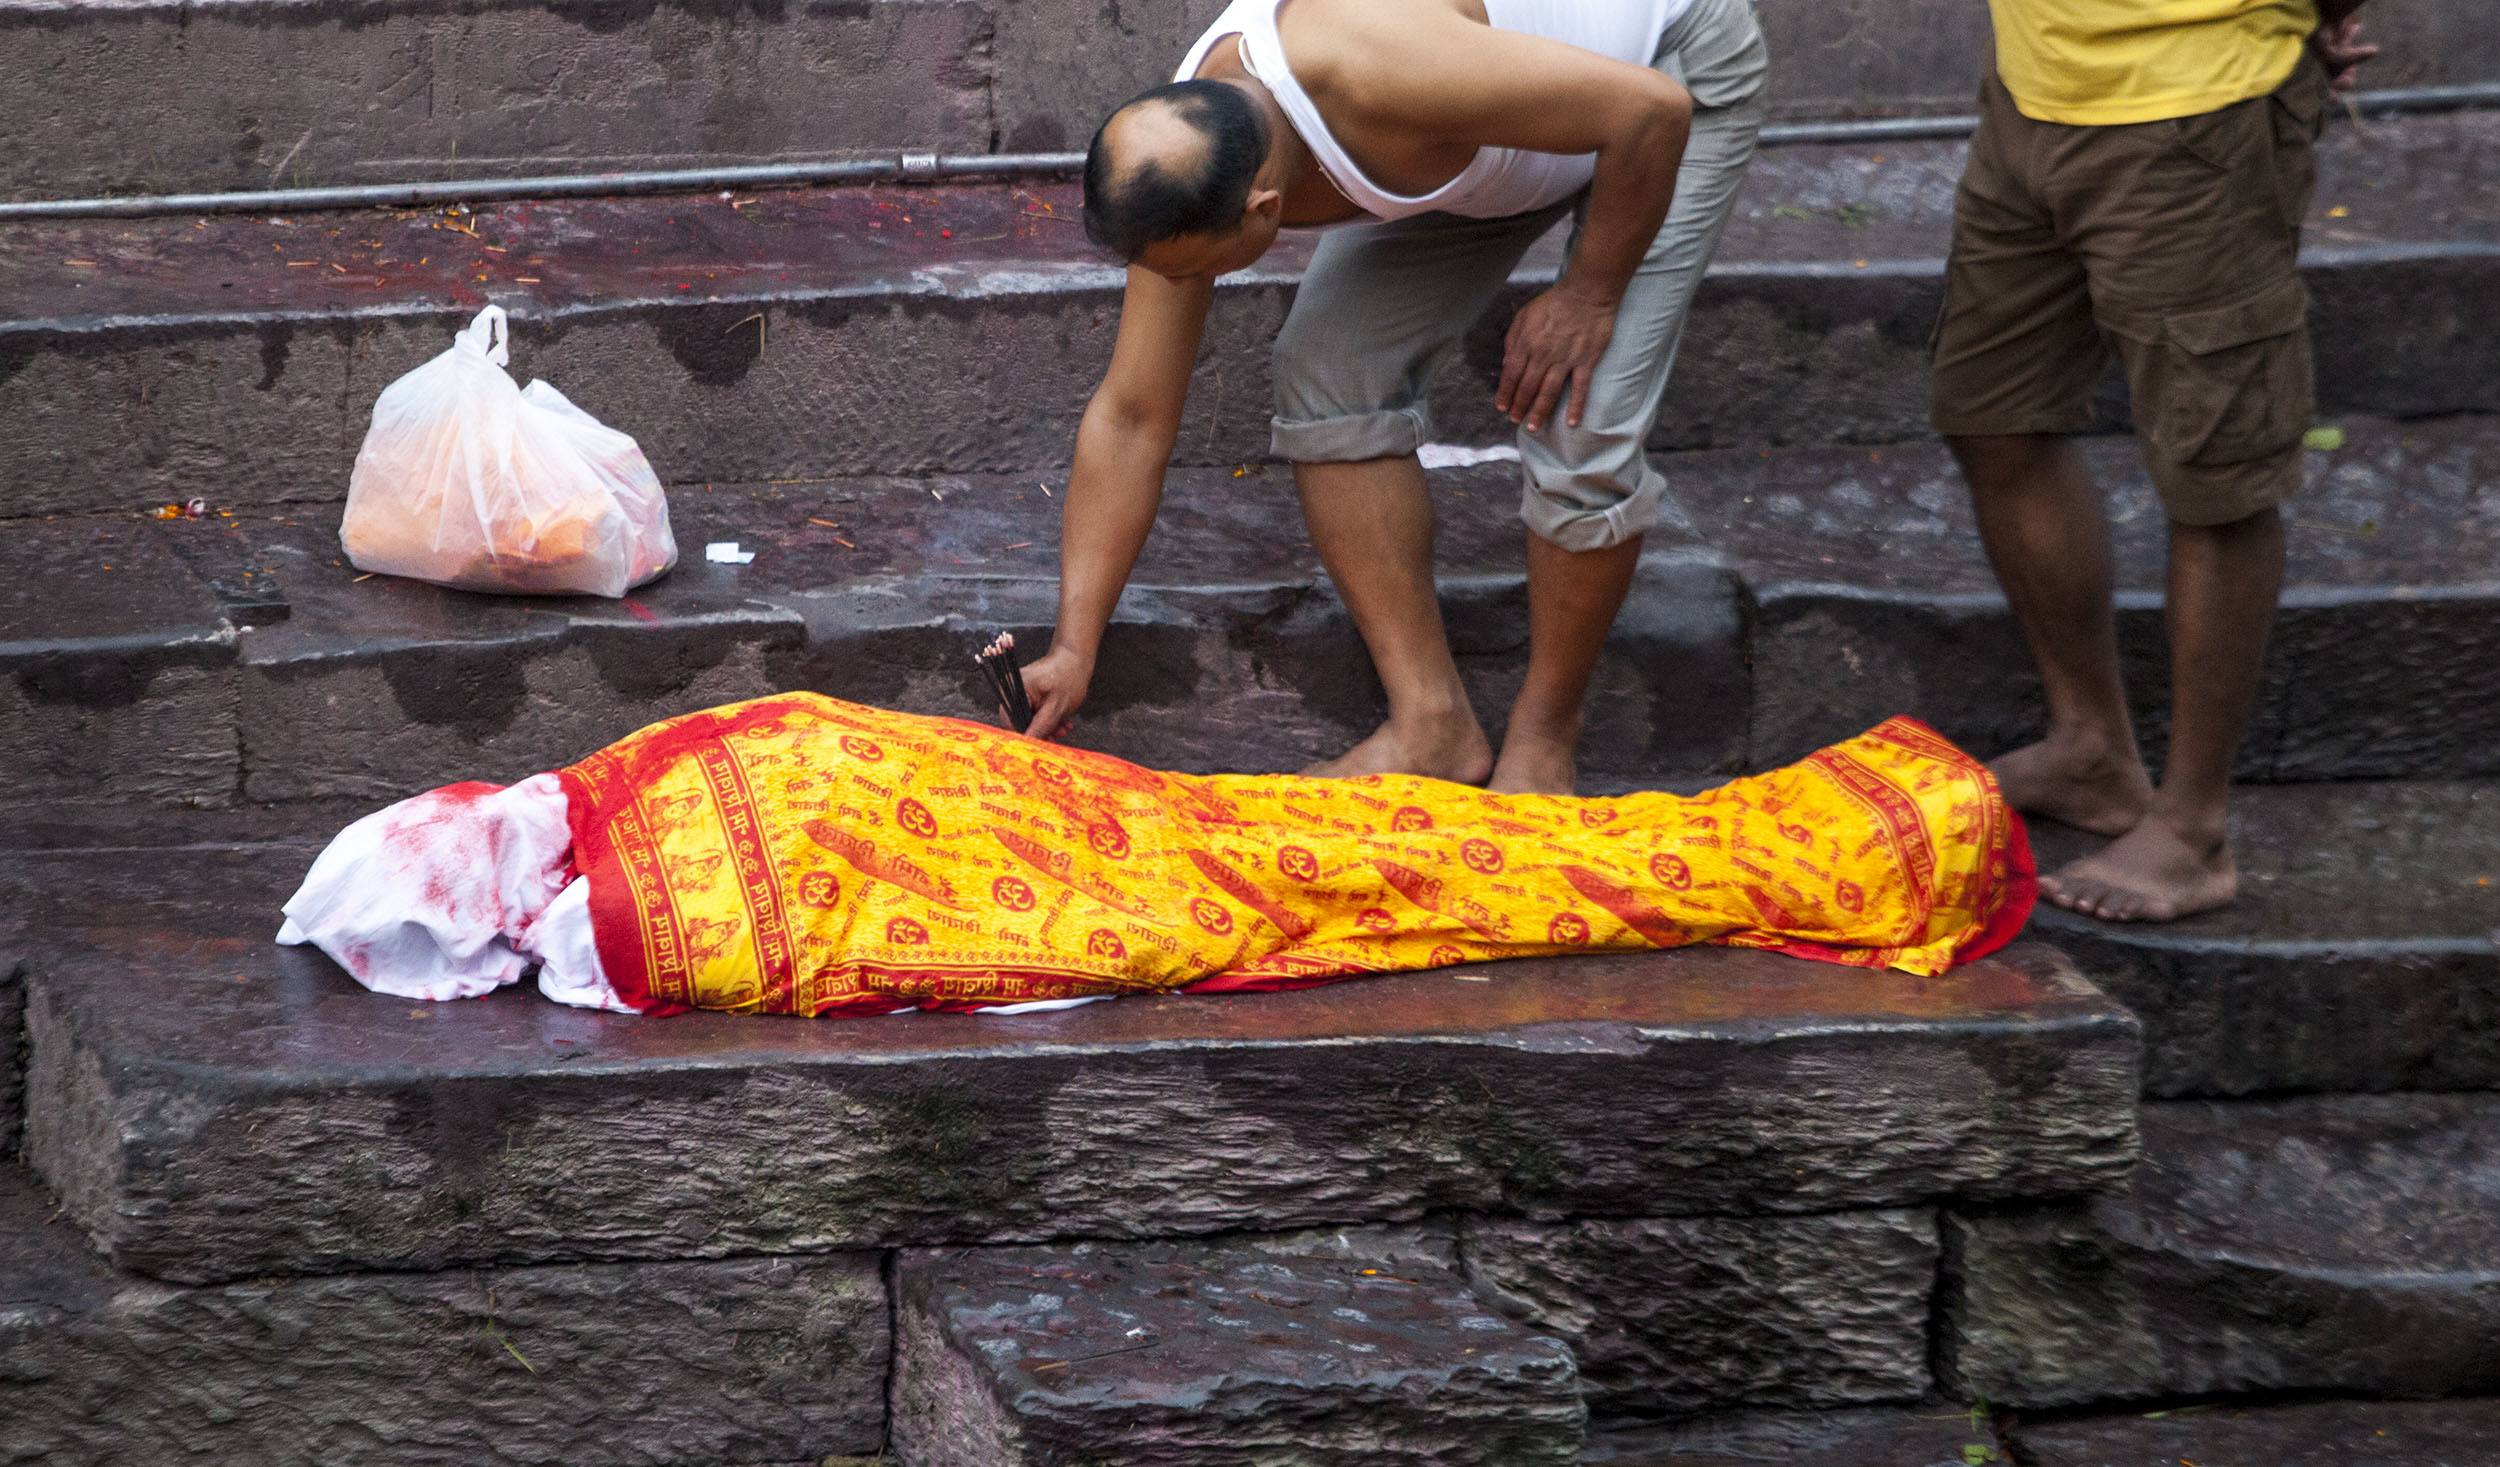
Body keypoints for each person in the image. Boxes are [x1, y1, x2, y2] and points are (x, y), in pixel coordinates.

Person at [1013, 0, 1770, 795]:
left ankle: (1547, 732)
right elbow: (1133, 414)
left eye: (1192, 271)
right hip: (1496, 135)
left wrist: (1588, 294)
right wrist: (1074, 645)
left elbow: (1650, 112)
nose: (1176, 288)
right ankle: (1431, 724)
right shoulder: (1186, 147)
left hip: (1663, 86)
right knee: (1329, 370)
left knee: (1584, 421)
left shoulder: (1379, 72)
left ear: (1267, 210)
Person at [278, 692, 2037, 1018]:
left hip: (1109, 859)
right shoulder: (645, 771)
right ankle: (1848, 830)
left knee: (1372, 870)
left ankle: (1861, 845)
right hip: (1109, 833)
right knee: (1367, 845)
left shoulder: (641, 925)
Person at [1931, 0, 2376, 921]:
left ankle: (2194, 826)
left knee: (2217, 478)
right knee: (1992, 418)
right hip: (2031, 92)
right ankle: (2093, 750)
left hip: (2198, 109)